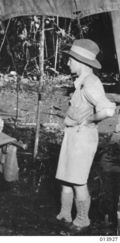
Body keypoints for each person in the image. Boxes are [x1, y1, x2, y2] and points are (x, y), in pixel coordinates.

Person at [55, 39, 116, 232]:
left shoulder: (91, 82)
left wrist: (89, 120)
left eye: (70, 60)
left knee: (78, 181)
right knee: (66, 178)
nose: (67, 63)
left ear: (80, 61)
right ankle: (65, 213)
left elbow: (107, 111)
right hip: (73, 134)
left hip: (83, 137)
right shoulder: (82, 82)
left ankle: (82, 220)